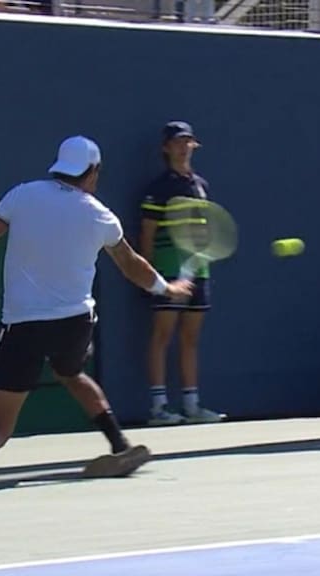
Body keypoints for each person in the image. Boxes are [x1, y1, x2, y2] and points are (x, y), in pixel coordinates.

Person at [0, 135, 193, 490]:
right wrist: (168, 289)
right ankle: (119, 444)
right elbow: (132, 267)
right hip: (74, 325)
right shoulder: (101, 216)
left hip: (22, 328)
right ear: (93, 172)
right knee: (71, 370)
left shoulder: (22, 195)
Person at [139, 121, 225, 425]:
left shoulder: (201, 185)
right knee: (162, 335)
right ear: (166, 148)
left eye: (188, 141)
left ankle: (191, 404)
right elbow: (147, 233)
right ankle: (158, 407)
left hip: (197, 269)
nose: (183, 146)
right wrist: (149, 276)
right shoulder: (158, 188)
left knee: (190, 338)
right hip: (167, 270)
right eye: (177, 141)